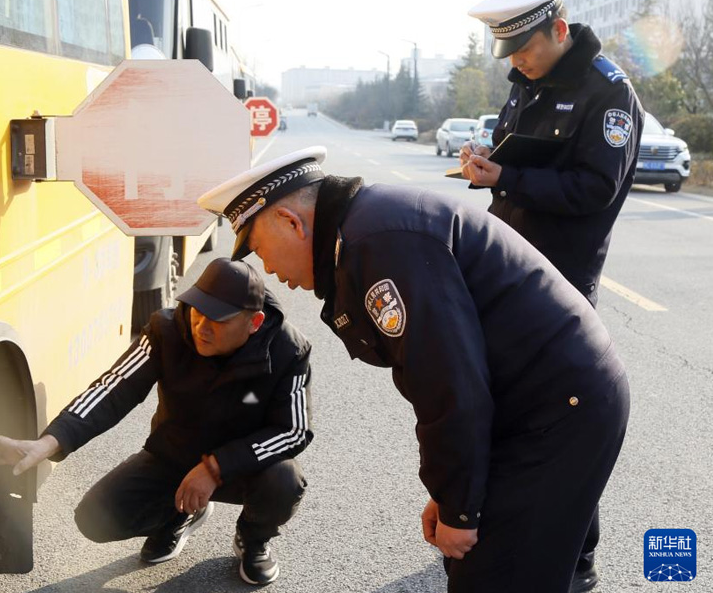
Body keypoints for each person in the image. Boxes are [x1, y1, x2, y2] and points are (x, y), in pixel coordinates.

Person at [196, 146, 629, 593]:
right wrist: (452, 495)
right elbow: (446, 379)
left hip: (559, 408)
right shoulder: (364, 232)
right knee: (484, 568)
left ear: (291, 221)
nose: (267, 268)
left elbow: (448, 386)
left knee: (498, 576)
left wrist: (459, 509)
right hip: (529, 401)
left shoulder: (379, 243)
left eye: (260, 250)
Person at [0, 258, 312, 586]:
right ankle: (180, 514)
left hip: (246, 468)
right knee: (95, 518)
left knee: (284, 479)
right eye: (199, 311)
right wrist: (48, 442)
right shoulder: (166, 330)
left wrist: (215, 468)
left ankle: (253, 539)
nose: (202, 326)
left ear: (254, 322)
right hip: (176, 456)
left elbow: (294, 430)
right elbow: (113, 388)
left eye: (218, 319)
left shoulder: (289, 350)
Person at [462, 0, 644, 589]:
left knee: (566, 420)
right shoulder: (527, 82)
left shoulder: (608, 92)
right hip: (506, 268)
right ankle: (510, 526)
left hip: (561, 281)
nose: (517, 62)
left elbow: (594, 189)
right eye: (509, 52)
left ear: (559, 29)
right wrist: (486, 162)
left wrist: (510, 177)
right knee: (508, 409)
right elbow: (513, 152)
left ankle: (578, 557)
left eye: (525, 48)